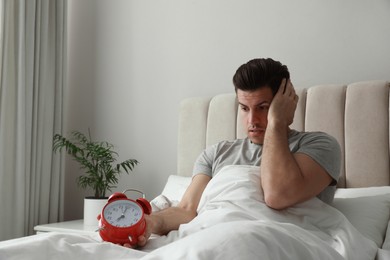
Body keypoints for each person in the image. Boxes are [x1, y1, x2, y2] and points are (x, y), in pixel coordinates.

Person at [135, 58, 341, 248]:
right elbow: (186, 210)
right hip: (211, 238)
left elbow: (277, 195)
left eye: (263, 107)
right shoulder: (216, 153)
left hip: (276, 242)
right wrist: (151, 222)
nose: (252, 120)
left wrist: (277, 122)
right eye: (244, 108)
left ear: (285, 103)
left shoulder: (320, 146)